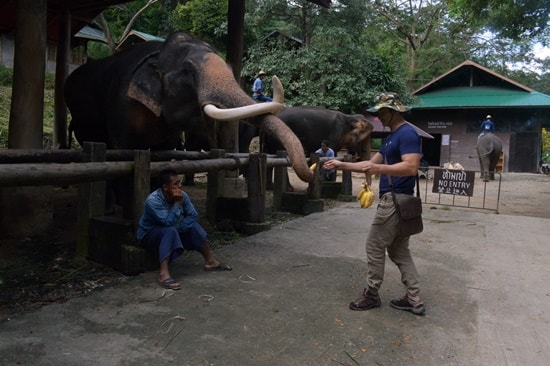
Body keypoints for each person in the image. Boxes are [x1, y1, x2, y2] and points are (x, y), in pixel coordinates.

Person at [323, 92, 425, 315]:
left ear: (394, 112)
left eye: (382, 112)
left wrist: (380, 169)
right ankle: (414, 298)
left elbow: (411, 167)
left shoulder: (407, 133)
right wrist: (341, 166)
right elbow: (369, 163)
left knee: (374, 245)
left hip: (396, 201)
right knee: (399, 252)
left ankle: (372, 294)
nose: (379, 117)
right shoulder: (391, 138)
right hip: (397, 202)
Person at [137, 169, 232, 290]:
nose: (180, 186)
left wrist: (181, 228)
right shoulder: (153, 200)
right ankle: (163, 274)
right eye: (175, 184)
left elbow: (193, 215)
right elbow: (167, 223)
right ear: (165, 187)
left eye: (180, 182)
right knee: (170, 231)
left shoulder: (183, 195)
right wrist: (177, 204)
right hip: (149, 235)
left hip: (172, 230)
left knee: (193, 227)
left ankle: (210, 261)